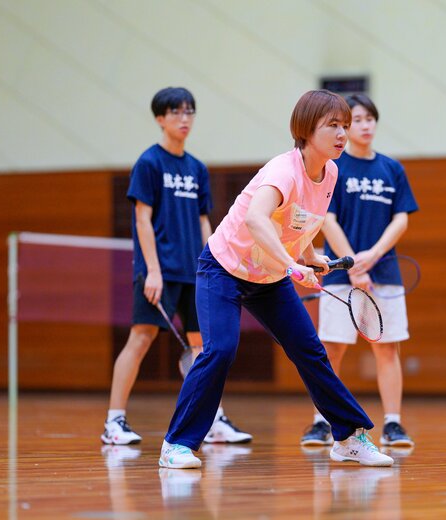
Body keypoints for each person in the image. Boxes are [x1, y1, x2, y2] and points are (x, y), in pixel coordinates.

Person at [158, 89, 394, 469]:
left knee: (309, 350)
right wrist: (290, 264)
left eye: (345, 126)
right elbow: (256, 218)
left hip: (269, 276)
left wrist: (310, 257)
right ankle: (176, 444)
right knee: (220, 350)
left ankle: (348, 438)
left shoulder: (331, 172)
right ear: (306, 129)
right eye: (333, 125)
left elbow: (300, 219)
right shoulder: (283, 170)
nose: (342, 134)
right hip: (224, 268)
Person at [101, 87, 251, 446]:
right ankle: (114, 422)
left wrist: (216, 263)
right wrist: (152, 270)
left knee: (204, 347)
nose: (185, 119)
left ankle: (213, 420)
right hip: (160, 271)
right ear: (160, 118)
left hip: (196, 272)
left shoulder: (197, 168)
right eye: (176, 112)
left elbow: (203, 221)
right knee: (141, 338)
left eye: (189, 112)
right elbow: (142, 220)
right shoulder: (149, 163)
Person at [299, 94, 419, 448]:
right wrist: (352, 263)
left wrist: (373, 255)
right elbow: (326, 219)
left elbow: (401, 218)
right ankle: (321, 422)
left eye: (369, 119)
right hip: (340, 273)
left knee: (387, 349)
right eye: (357, 121)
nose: (364, 126)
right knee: (331, 349)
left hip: (385, 273)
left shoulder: (392, 169)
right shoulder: (333, 168)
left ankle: (393, 424)